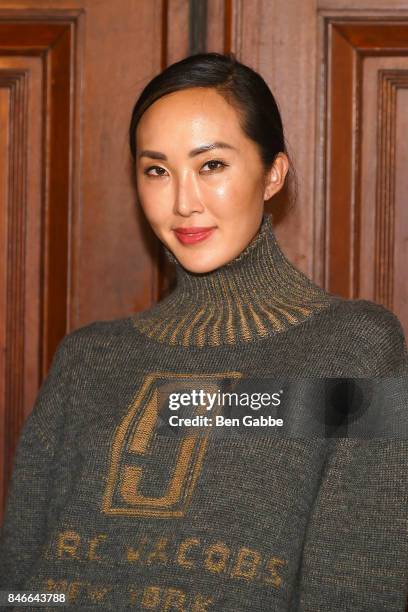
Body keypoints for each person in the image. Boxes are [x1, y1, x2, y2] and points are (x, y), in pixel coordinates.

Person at [0, 52, 407, 611]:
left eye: (211, 165)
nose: (183, 202)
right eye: (157, 170)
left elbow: (359, 587)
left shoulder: (354, 347)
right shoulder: (89, 358)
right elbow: (21, 584)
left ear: (273, 174)